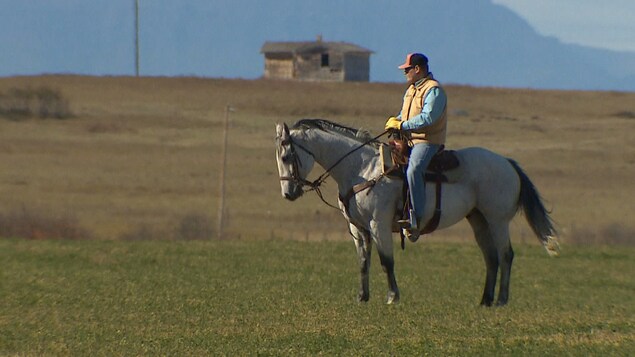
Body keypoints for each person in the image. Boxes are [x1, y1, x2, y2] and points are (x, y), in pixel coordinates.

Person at [384, 53, 448, 242]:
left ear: (417, 69)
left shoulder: (434, 90)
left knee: (414, 169)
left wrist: (402, 126)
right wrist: (396, 120)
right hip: (409, 140)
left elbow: (428, 117)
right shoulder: (411, 89)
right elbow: (405, 113)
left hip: (426, 142)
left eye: (407, 69)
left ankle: (416, 218)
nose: (405, 73)